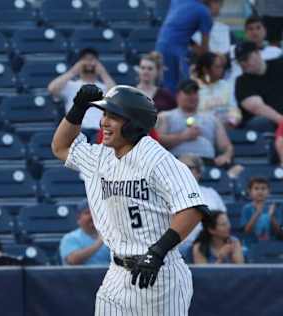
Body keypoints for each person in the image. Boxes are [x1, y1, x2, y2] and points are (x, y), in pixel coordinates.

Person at [52, 84, 210, 315]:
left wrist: (157, 252)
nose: (104, 122)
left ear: (134, 123)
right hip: (116, 273)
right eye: (104, 114)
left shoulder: (158, 160)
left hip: (159, 273)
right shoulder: (101, 157)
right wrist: (77, 109)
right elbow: (60, 146)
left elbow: (192, 209)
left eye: (113, 116)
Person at [156, 79, 234, 167]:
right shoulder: (166, 116)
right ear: (178, 95)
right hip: (176, 164)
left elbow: (226, 147)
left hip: (207, 163)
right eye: (188, 93)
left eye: (195, 93)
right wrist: (183, 136)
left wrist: (226, 156)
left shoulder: (212, 118)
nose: (192, 96)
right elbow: (157, 141)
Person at [156, 0, 223, 94]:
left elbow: (176, 28)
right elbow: (205, 51)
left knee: (168, 84)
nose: (219, 11)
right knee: (182, 87)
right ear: (213, 2)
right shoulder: (204, 13)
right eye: (220, 5)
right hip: (174, 52)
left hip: (160, 46)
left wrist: (196, 48)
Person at [48, 47, 116, 132]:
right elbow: (52, 89)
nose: (89, 62)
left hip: (100, 131)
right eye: (85, 59)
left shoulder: (105, 87)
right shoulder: (70, 85)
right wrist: (73, 72)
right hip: (77, 131)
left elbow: (116, 97)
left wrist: (103, 73)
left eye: (92, 59)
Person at [234, 41, 283, 132]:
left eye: (246, 59)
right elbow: (257, 107)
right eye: (239, 61)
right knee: (262, 122)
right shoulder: (242, 81)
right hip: (267, 126)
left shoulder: (279, 65)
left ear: (257, 53)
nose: (243, 64)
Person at [193, 52, 241, 127]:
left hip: (227, 129)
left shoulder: (226, 85)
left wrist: (231, 122)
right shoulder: (193, 89)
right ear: (205, 70)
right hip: (203, 131)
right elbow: (189, 118)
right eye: (217, 67)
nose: (222, 70)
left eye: (222, 67)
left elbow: (234, 110)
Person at [59, 200, 111, 266]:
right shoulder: (70, 238)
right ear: (78, 219)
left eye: (95, 213)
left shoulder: (111, 236)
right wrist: (99, 242)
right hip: (81, 276)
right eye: (87, 213)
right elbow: (73, 260)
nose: (92, 216)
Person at [240, 177, 283, 244]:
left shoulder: (273, 208)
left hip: (271, 245)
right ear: (250, 192)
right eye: (256, 188)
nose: (260, 191)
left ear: (269, 191)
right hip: (251, 245)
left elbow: (278, 232)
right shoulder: (246, 209)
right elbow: (246, 231)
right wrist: (257, 213)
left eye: (263, 188)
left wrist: (271, 216)